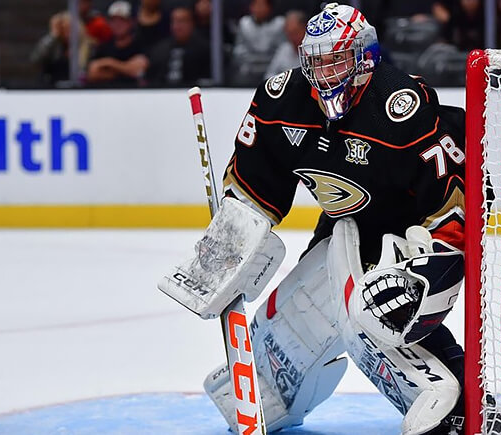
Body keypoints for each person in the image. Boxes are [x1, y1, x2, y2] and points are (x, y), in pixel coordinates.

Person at [195, 3, 472, 434]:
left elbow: (453, 204)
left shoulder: (400, 107)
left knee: (375, 313)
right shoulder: (281, 99)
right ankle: (274, 393)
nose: (324, 73)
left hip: (408, 232)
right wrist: (230, 243)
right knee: (297, 317)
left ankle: (456, 398)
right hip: (344, 226)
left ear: (365, 57)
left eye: (336, 60)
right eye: (316, 61)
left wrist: (430, 270)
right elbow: (252, 189)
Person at [86, 1, 149, 87]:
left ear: (131, 22)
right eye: (113, 20)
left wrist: (109, 63)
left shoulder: (139, 45)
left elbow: (138, 70)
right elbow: (92, 73)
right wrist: (126, 69)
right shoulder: (103, 48)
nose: (118, 24)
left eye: (122, 20)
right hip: (107, 92)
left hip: (134, 91)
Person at [145, 6, 211, 87]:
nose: (177, 26)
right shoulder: (159, 50)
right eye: (174, 21)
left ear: (192, 23)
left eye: (182, 21)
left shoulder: (205, 50)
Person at [30, 11, 95, 87]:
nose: (67, 33)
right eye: (64, 29)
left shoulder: (90, 47)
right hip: (55, 88)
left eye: (70, 29)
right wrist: (53, 36)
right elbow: (36, 60)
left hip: (83, 90)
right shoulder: (54, 46)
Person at [264, 9, 307, 77]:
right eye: (289, 33)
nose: (292, 37)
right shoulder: (283, 49)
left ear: (305, 29)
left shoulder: (314, 50)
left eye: (295, 32)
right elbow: (270, 74)